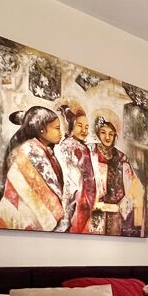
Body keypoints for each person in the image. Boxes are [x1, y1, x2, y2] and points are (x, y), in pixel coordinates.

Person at [0, 106, 65, 231]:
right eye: (57, 128)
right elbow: (47, 191)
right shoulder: (31, 151)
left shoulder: (41, 150)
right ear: (42, 130)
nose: (60, 133)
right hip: (22, 215)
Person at [89, 108, 145, 236]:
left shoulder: (121, 157)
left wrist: (121, 205)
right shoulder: (90, 152)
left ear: (115, 135)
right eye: (103, 132)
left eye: (111, 133)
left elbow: (132, 187)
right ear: (97, 133)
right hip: (94, 210)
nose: (107, 137)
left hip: (116, 212)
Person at [53, 100, 95, 233]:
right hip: (73, 192)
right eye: (80, 126)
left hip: (80, 193)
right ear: (71, 126)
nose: (84, 130)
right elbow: (70, 176)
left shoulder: (81, 147)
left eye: (87, 127)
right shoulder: (68, 146)